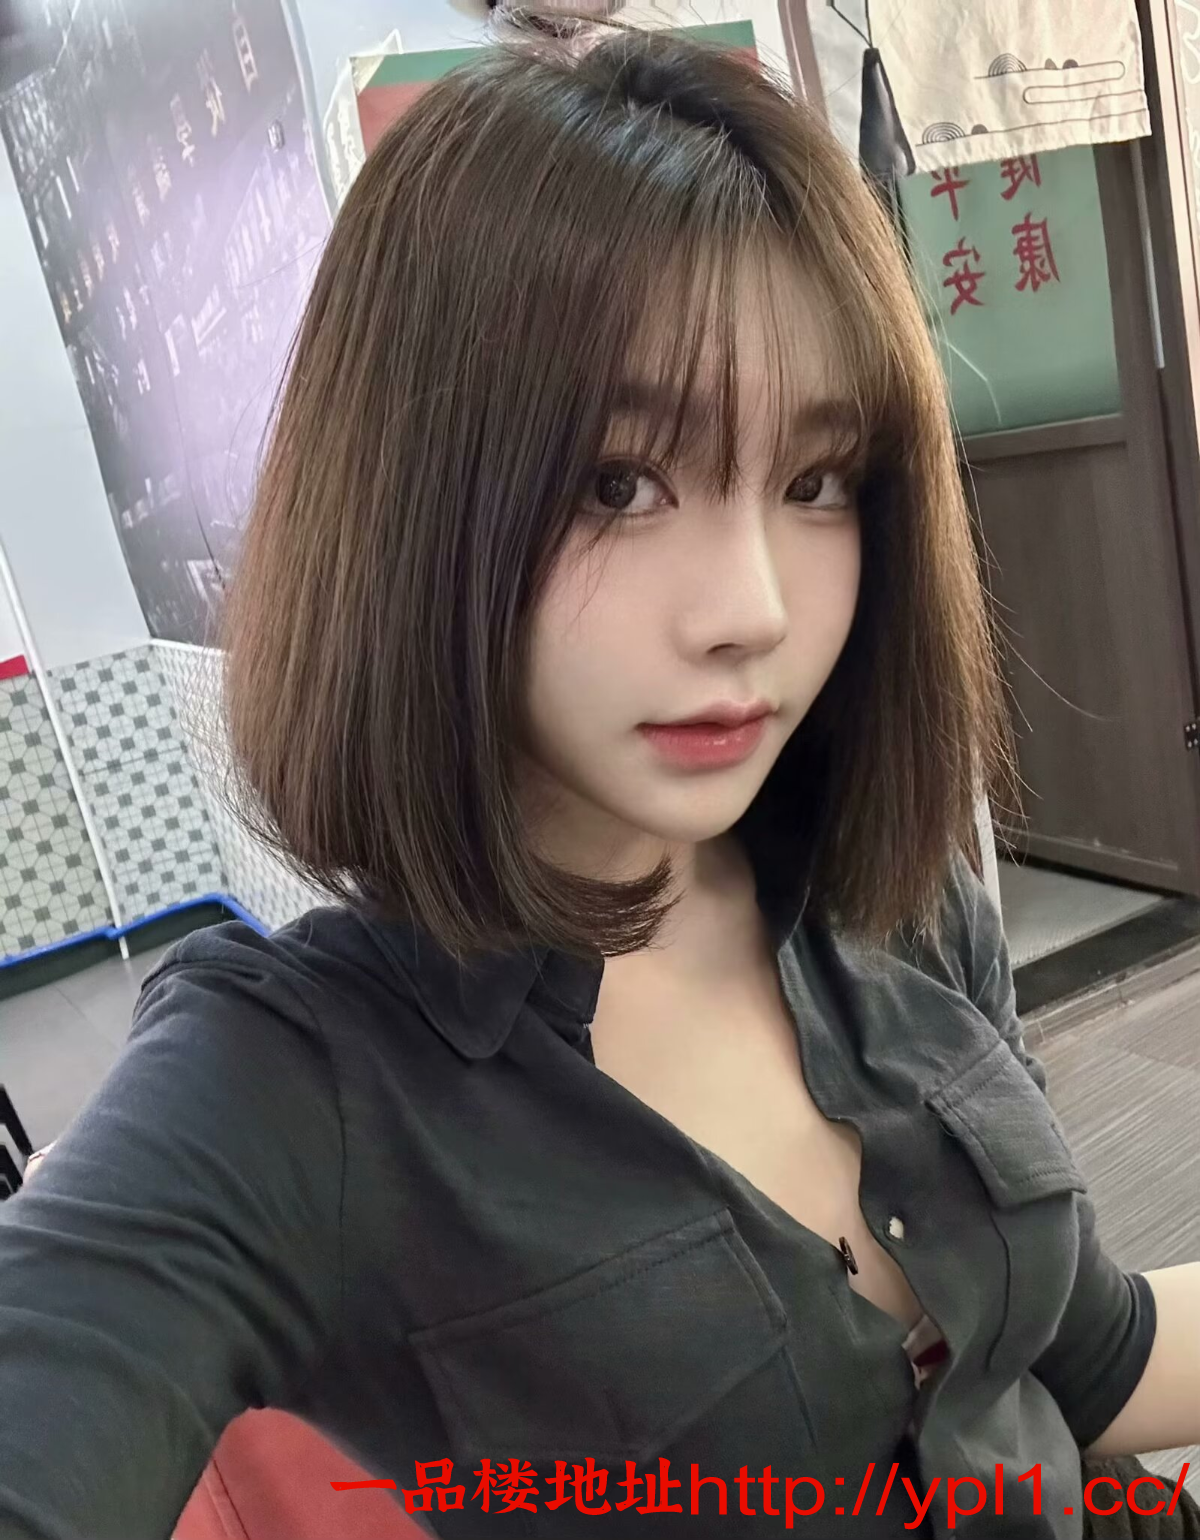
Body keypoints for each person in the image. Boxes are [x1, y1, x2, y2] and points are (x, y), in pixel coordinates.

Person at [1, 16, 1197, 1540]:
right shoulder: (295, 1087)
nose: (752, 607)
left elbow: (1083, 1356)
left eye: (816, 480)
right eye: (618, 482)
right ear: (417, 509)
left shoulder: (897, 901)